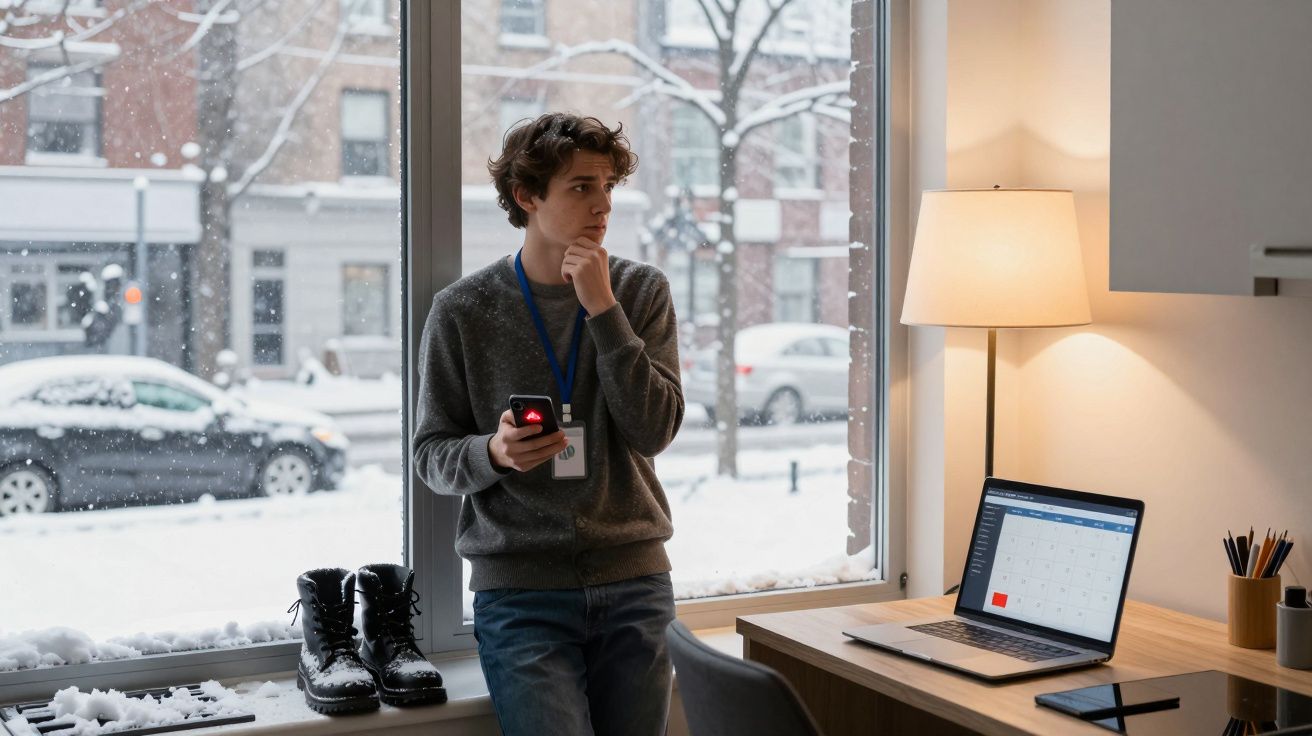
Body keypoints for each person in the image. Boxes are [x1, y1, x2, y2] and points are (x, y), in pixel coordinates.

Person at [412, 112, 684, 736]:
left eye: (608, 186)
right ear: (526, 196)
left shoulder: (639, 293)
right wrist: (495, 453)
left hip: (635, 583)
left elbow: (655, 430)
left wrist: (603, 310)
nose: (603, 204)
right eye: (581, 187)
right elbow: (430, 453)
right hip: (521, 596)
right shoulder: (463, 310)